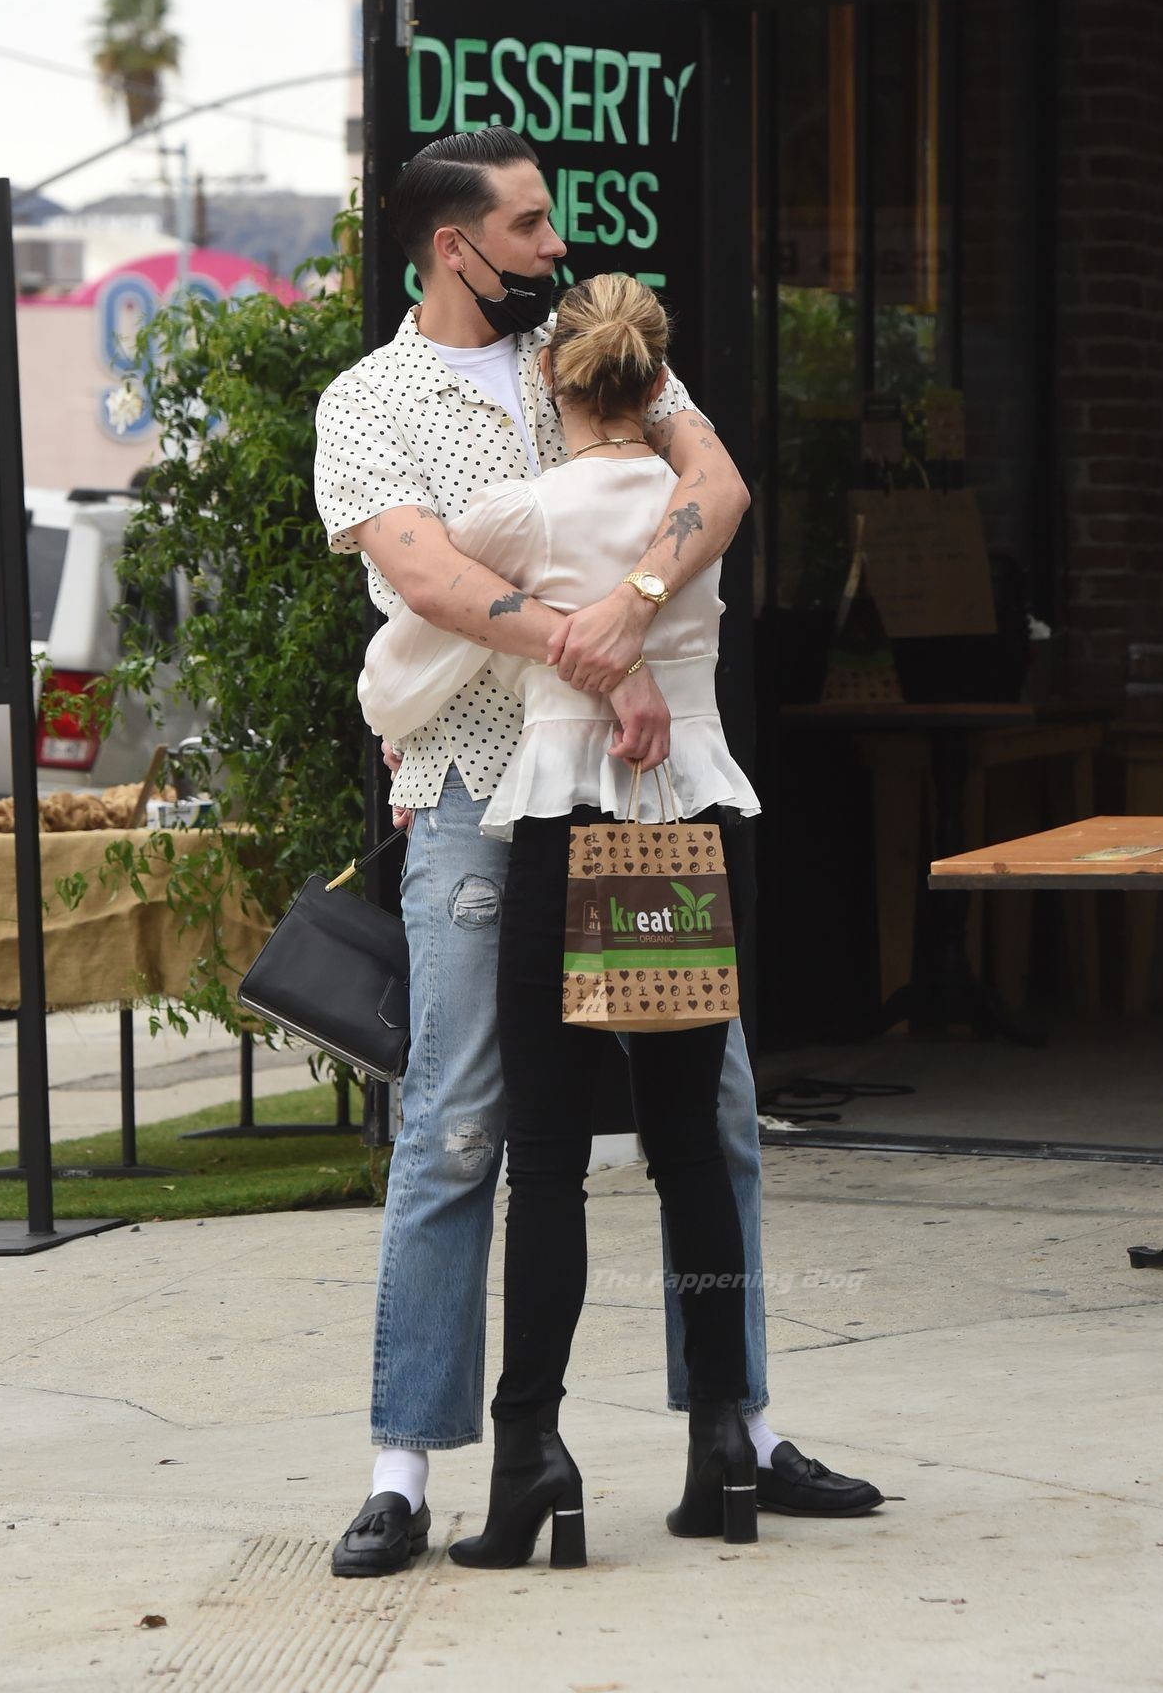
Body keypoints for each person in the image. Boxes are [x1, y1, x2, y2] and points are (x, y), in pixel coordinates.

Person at [314, 126, 881, 1579]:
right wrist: (600, 649)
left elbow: (715, 486)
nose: (555, 245)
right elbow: (428, 574)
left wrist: (630, 609)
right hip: (476, 791)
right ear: (454, 247)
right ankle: (402, 1469)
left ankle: (737, 1423)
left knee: (718, 1113)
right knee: (459, 1123)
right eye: (528, 224)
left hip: (639, 793)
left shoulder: (588, 342)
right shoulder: (369, 400)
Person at [361, 273, 765, 1565]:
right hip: (689, 825)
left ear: (555, 378)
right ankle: (723, 1439)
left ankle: (531, 1449)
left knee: (545, 1157)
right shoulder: (689, 512)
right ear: (657, 382)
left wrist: (402, 718)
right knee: (693, 1145)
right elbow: (713, 500)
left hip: (564, 831)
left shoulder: (525, 511)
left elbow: (415, 645)